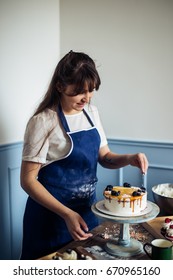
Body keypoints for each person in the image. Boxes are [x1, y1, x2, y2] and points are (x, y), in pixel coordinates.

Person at [20, 50, 148, 259]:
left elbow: (104, 156)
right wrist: (67, 214)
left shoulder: (91, 113)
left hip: (86, 213)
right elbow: (27, 180)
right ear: (60, 86)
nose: (86, 98)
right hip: (50, 219)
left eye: (91, 90)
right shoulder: (43, 121)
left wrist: (129, 158)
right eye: (80, 91)